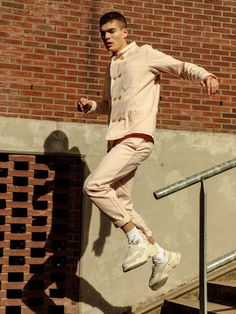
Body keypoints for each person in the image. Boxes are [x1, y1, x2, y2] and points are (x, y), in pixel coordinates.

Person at [78, 11, 219, 291]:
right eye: (102, 33)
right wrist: (93, 106)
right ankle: (160, 254)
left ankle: (135, 239)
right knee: (123, 203)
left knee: (93, 185)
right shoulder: (113, 66)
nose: (106, 37)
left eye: (111, 31)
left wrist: (205, 74)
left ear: (125, 32)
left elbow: (180, 66)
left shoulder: (145, 54)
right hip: (117, 140)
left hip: (137, 137)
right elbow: (109, 103)